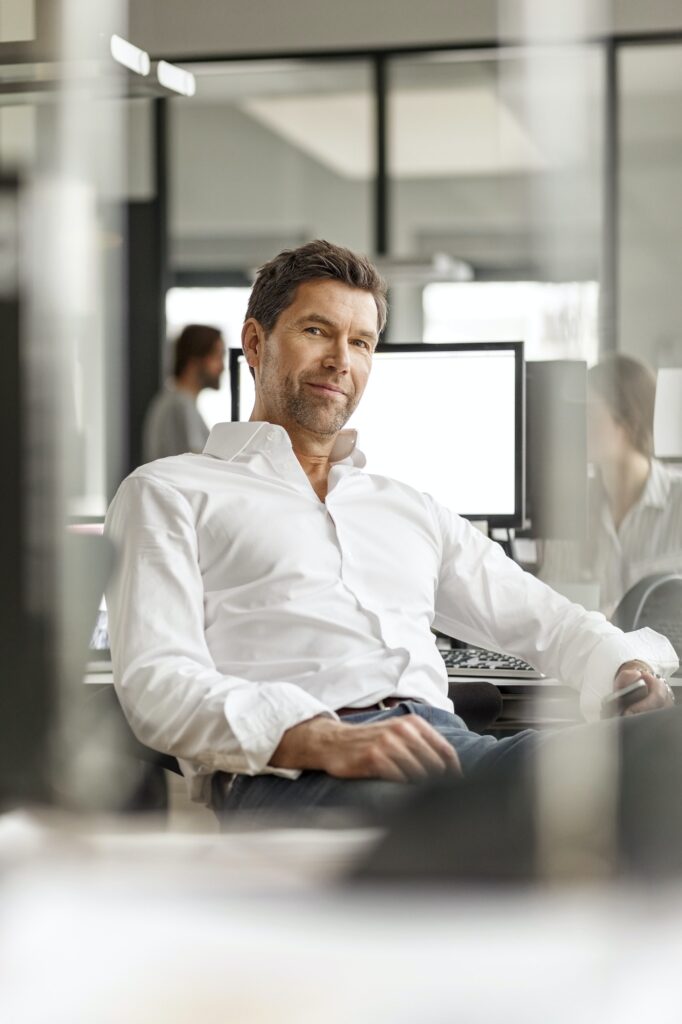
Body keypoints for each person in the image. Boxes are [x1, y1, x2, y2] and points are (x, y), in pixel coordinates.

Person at [105, 241, 677, 825]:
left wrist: (621, 669)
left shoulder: (407, 509)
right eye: (316, 331)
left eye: (361, 342)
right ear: (255, 343)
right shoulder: (168, 492)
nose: (340, 360)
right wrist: (321, 738)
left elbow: (548, 620)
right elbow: (159, 682)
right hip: (301, 772)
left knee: (669, 749)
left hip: (454, 758)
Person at [540, 354, 682, 617]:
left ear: (629, 422)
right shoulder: (570, 508)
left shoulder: (678, 502)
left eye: (590, 413)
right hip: (592, 656)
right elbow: (552, 610)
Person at [141, 324, 225, 463]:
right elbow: (196, 466)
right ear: (194, 360)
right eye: (217, 356)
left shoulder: (177, 402)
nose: (222, 367)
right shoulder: (179, 406)